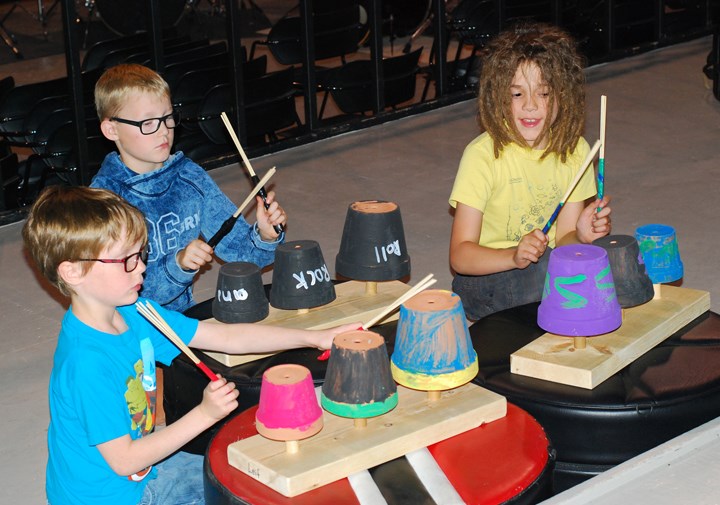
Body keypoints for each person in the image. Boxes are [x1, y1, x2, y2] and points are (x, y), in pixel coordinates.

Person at [23, 186, 358, 505]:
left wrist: (315, 337)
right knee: (239, 493)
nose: (141, 267)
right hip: (114, 496)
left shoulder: (136, 312)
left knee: (249, 473)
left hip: (141, 472)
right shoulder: (87, 363)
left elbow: (225, 337)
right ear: (72, 272)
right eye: (126, 260)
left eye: (141, 253)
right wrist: (204, 414)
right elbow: (124, 461)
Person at [448, 22, 612, 321]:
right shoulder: (482, 155)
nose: (531, 106)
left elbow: (564, 240)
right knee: (550, 276)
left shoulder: (575, 151)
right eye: (517, 94)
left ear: (564, 96)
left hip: (544, 266)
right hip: (484, 279)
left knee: (610, 262)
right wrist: (512, 255)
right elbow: (460, 256)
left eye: (545, 93)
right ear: (499, 96)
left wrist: (582, 237)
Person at [91, 63, 287, 313]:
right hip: (125, 329)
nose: (164, 132)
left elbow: (242, 255)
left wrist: (265, 236)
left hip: (181, 319)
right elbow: (116, 292)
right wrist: (178, 265)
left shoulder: (188, 175)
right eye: (148, 123)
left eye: (168, 118)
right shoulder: (103, 199)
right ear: (111, 129)